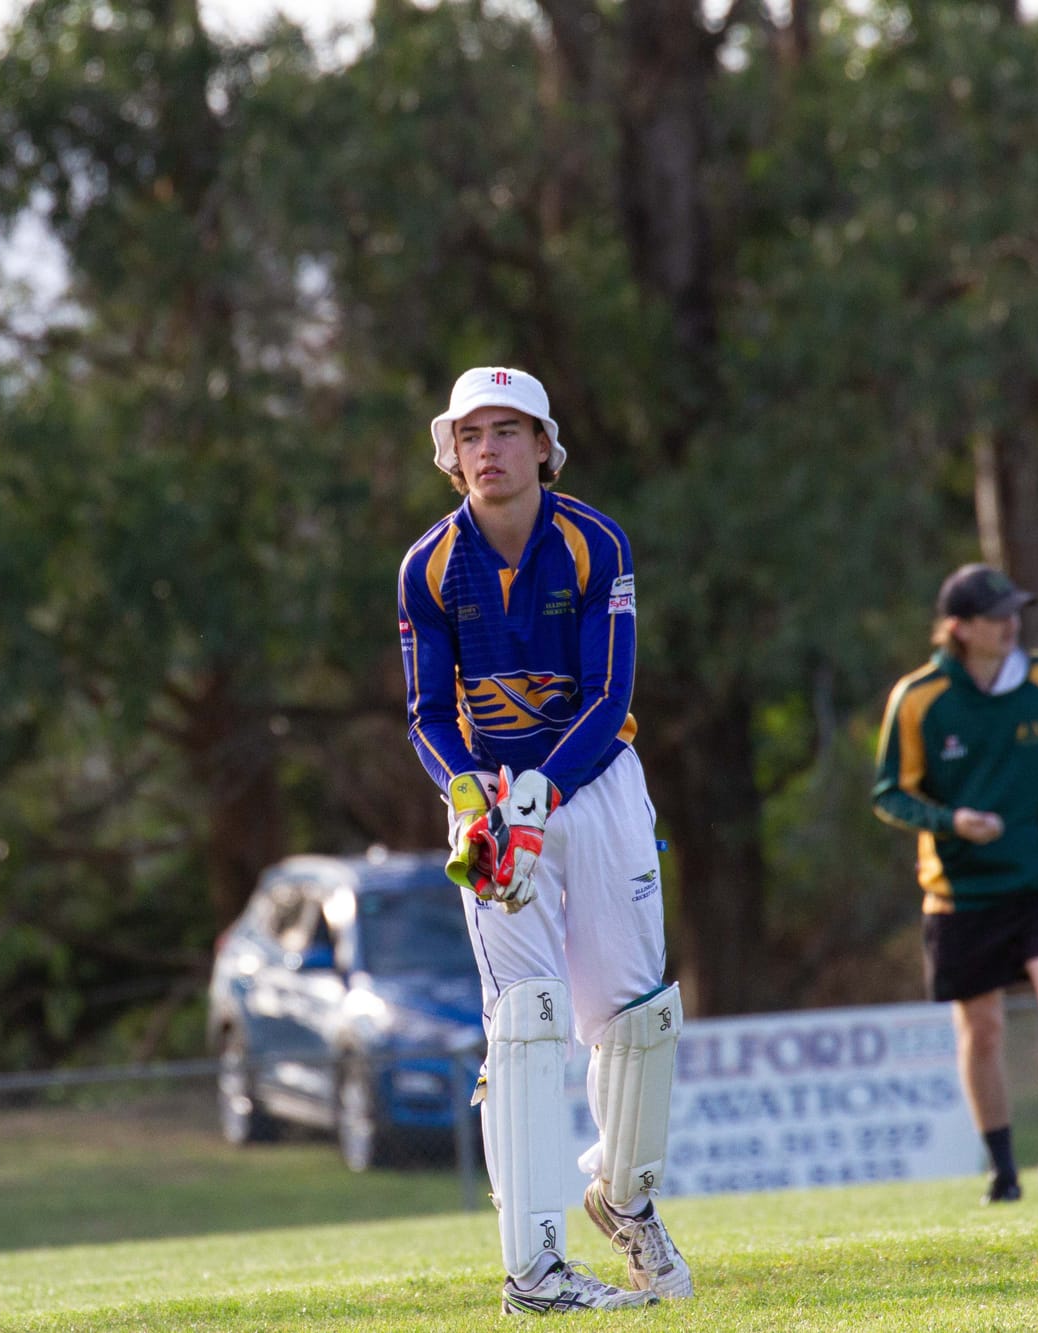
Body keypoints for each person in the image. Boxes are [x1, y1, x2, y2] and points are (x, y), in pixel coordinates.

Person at [397, 367, 691, 1315]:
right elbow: (426, 713)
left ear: (542, 445)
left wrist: (544, 791)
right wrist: (473, 794)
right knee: (521, 1018)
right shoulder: (428, 566)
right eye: (471, 434)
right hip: (486, 808)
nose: (489, 450)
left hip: (595, 789)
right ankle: (534, 1271)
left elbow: (611, 697)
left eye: (507, 431)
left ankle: (626, 1199)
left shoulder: (594, 542)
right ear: (453, 454)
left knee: (632, 1017)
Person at [871, 563, 1038, 1205]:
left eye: (1014, 612)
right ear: (958, 628)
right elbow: (890, 792)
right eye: (995, 616)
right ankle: (1003, 1172)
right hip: (959, 894)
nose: (1011, 624)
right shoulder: (919, 697)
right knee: (983, 1030)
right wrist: (953, 823)